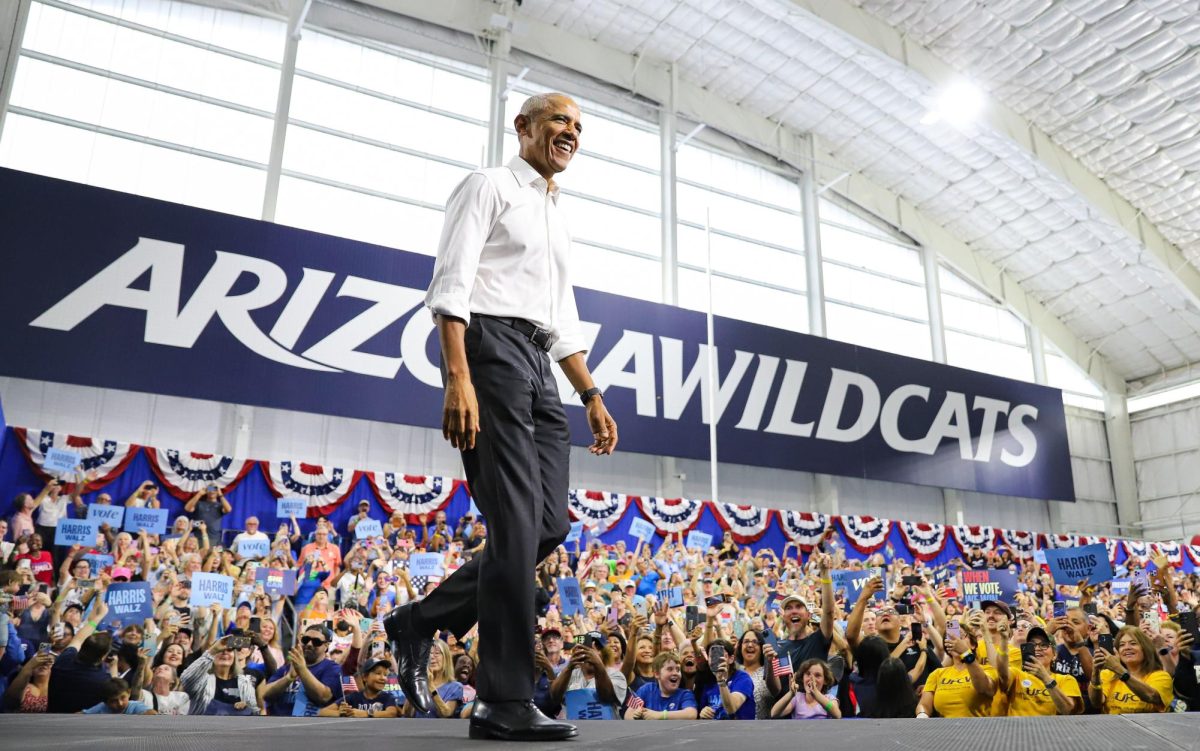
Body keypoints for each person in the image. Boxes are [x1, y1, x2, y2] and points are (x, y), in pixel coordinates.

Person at [386, 91, 618, 742]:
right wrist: (457, 375)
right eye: (558, 120)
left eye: (578, 124)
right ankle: (502, 699)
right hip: (487, 350)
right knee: (514, 526)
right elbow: (451, 283)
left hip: (542, 364)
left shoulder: (555, 214)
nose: (569, 131)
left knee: (548, 523)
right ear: (523, 128)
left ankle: (420, 618)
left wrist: (592, 394)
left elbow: (563, 319)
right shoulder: (488, 185)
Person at [47, 597, 113, 713]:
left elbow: (78, 639)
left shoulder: (65, 660)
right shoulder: (103, 680)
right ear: (103, 657)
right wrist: (113, 667)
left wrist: (98, 616)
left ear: (83, 647)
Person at [998, 626, 1081, 716]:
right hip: (1019, 728)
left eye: (1044, 645)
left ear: (1054, 654)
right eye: (1032, 645)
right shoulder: (1016, 675)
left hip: (1050, 729)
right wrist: (1003, 640)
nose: (1037, 648)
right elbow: (1002, 674)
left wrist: (1045, 678)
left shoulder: (1066, 680)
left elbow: (1068, 710)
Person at [262, 624, 343, 716]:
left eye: (316, 642)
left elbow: (324, 697)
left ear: (326, 646)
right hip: (278, 723)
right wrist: (288, 678)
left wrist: (302, 670)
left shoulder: (332, 668)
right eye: (305, 640)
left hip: (309, 725)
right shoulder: (289, 666)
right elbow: (265, 694)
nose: (309, 644)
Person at [1090, 625, 1174, 714]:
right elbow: (1096, 703)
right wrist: (1095, 673)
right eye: (1122, 645)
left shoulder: (1161, 676)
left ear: (1145, 648)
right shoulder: (1108, 674)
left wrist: (1118, 669)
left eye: (1133, 643)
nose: (1127, 648)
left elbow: (1151, 696)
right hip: (1113, 726)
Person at [917, 627, 998, 717]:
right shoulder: (937, 674)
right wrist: (922, 714)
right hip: (945, 729)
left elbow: (983, 688)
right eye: (950, 638)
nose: (955, 640)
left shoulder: (988, 670)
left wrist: (965, 652)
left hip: (977, 728)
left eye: (961, 635)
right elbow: (924, 704)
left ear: (973, 645)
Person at [180, 634, 260, 715]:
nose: (224, 652)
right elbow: (185, 679)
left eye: (229, 650)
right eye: (219, 650)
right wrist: (213, 650)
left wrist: (248, 706)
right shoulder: (201, 681)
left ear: (235, 657)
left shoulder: (244, 683)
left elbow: (255, 713)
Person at [550, 636, 623, 720]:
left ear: (605, 654)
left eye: (597, 649)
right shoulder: (568, 674)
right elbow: (554, 697)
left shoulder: (616, 675)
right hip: (576, 729)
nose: (591, 653)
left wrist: (598, 664)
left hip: (605, 729)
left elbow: (606, 697)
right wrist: (569, 667)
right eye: (586, 649)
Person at [625, 652, 698, 720]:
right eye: (670, 669)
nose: (675, 673)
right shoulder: (647, 689)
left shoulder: (685, 694)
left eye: (678, 670)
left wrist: (660, 715)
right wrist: (635, 715)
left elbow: (691, 714)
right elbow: (627, 715)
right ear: (657, 674)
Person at [319, 658, 400, 718]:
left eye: (385, 675)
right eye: (378, 673)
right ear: (365, 677)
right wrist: (341, 713)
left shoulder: (387, 697)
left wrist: (366, 713)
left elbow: (392, 713)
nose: (383, 678)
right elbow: (322, 712)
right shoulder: (354, 697)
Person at [770, 658, 842, 719]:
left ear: (825, 680)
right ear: (802, 678)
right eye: (808, 674)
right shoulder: (797, 698)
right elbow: (774, 713)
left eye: (817, 675)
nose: (812, 679)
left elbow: (837, 714)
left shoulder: (829, 698)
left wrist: (816, 694)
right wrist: (791, 694)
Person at [82, 678, 158, 714]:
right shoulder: (102, 707)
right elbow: (82, 715)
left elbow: (151, 713)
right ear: (106, 702)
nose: (120, 703)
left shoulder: (135, 706)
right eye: (113, 701)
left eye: (123, 697)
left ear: (129, 693)